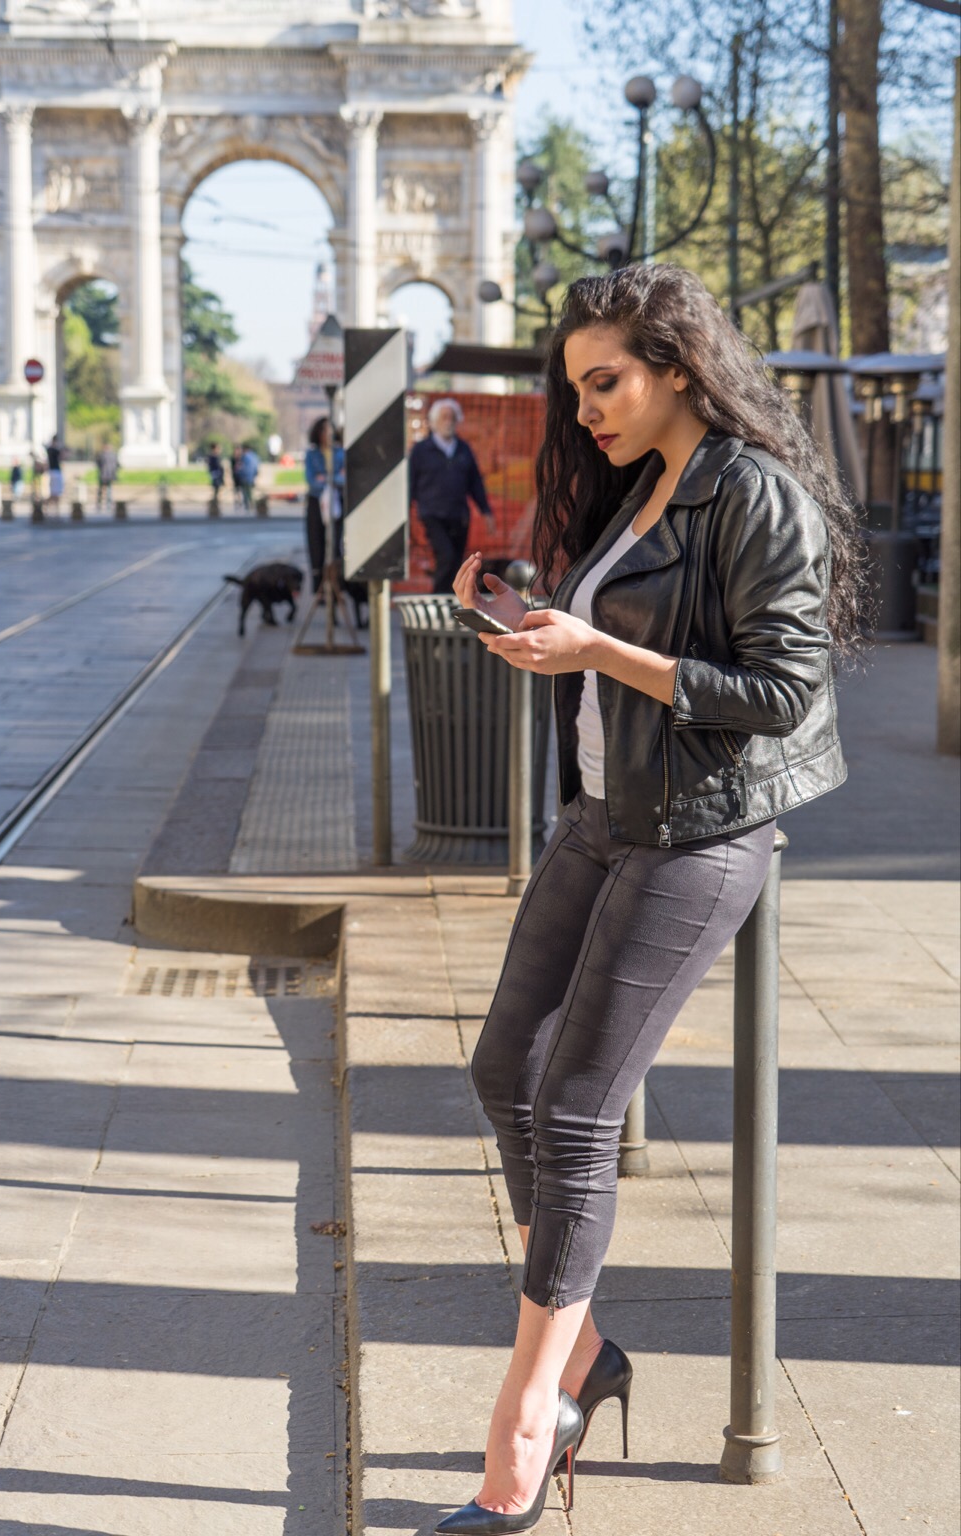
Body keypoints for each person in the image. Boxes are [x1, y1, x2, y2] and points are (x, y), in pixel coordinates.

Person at [438, 264, 864, 1534]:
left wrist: (597, 648)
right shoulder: (643, 488)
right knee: (501, 1067)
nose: (587, 412)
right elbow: (612, 646)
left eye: (605, 381)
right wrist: (529, 621)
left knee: (574, 1106)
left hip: (696, 830)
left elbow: (784, 691)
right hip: (599, 813)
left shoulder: (755, 492)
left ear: (678, 364)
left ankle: (529, 1412)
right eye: (576, 390)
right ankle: (588, 1353)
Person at [408, 398, 496, 592]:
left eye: (452, 417)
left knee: (455, 560)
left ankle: (449, 603)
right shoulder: (421, 450)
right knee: (446, 555)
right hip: (432, 514)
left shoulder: (463, 449)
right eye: (444, 417)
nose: (448, 421)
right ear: (434, 421)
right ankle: (436, 597)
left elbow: (475, 483)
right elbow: (410, 484)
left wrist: (486, 511)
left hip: (459, 515)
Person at [304, 416, 345, 591]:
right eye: (323, 430)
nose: (327, 434)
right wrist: (332, 479)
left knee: (335, 542)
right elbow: (311, 480)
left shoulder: (340, 453)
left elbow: (343, 478)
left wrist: (327, 478)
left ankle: (336, 582)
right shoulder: (312, 454)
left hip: (335, 500)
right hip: (317, 501)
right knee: (316, 541)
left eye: (329, 430)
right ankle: (318, 583)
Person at [235, 441, 259, 511]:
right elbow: (256, 467)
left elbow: (241, 467)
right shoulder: (254, 456)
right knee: (250, 491)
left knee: (245, 491)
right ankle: (251, 504)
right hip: (251, 476)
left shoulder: (244, 457)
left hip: (245, 476)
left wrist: (238, 473)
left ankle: (248, 505)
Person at [95, 441, 118, 512]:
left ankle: (99, 504)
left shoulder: (101, 455)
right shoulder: (113, 455)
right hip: (110, 475)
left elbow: (98, 463)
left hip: (103, 474)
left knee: (101, 490)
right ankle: (108, 504)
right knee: (109, 490)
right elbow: (117, 465)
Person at [45, 434, 65, 514]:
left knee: (56, 493)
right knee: (55, 493)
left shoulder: (50, 449)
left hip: (54, 471)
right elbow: (62, 456)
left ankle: (56, 510)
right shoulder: (53, 450)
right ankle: (52, 509)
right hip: (55, 472)